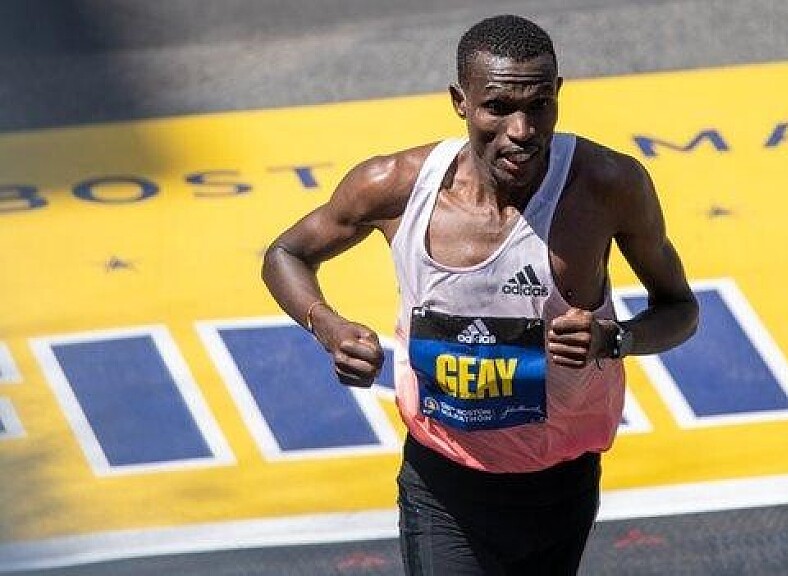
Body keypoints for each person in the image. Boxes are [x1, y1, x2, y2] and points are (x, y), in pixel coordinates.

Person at [262, 14, 699, 575]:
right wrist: (330, 328)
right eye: (497, 107)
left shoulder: (608, 186)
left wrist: (614, 339)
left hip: (562, 482)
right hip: (443, 484)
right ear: (460, 102)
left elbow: (680, 309)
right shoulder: (394, 186)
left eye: (539, 106)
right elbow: (286, 254)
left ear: (558, 95)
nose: (522, 130)